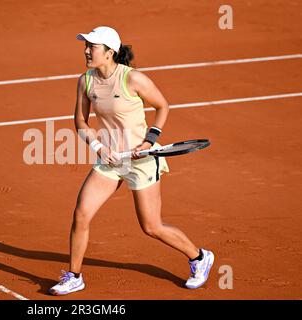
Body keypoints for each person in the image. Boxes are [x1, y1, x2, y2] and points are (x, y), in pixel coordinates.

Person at [49, 26, 214, 296]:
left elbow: (163, 106)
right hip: (111, 159)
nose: (87, 51)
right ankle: (74, 275)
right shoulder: (86, 80)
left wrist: (149, 141)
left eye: (93, 46)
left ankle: (199, 257)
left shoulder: (133, 79)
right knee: (81, 214)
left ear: (110, 52)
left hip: (142, 160)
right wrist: (99, 146)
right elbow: (80, 121)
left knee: (151, 226)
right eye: (86, 45)